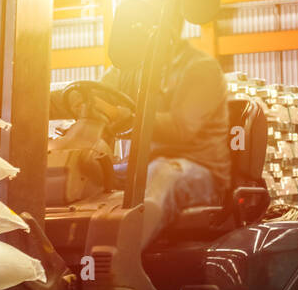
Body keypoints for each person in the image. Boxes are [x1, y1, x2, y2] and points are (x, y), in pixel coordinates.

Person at [52, 36, 231, 244]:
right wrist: (77, 100)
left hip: (199, 168)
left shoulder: (200, 69)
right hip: (147, 163)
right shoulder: (126, 70)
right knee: (92, 169)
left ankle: (120, 260)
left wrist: (126, 117)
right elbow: (98, 94)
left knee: (162, 175)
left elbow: (182, 129)